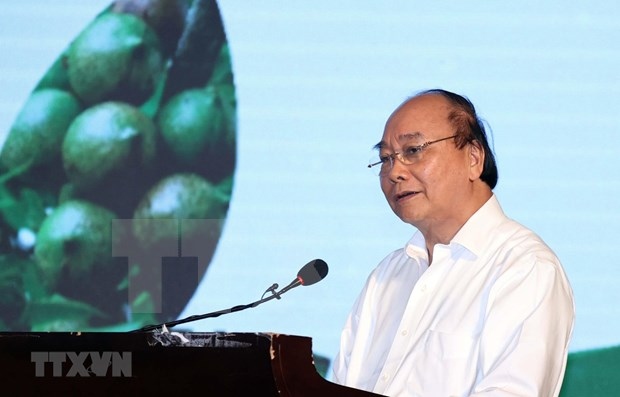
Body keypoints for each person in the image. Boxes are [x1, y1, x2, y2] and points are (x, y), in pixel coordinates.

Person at [332, 89, 575, 396]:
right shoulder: (388, 275)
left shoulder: (524, 267)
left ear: (473, 158)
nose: (394, 171)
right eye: (385, 159)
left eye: (413, 150)